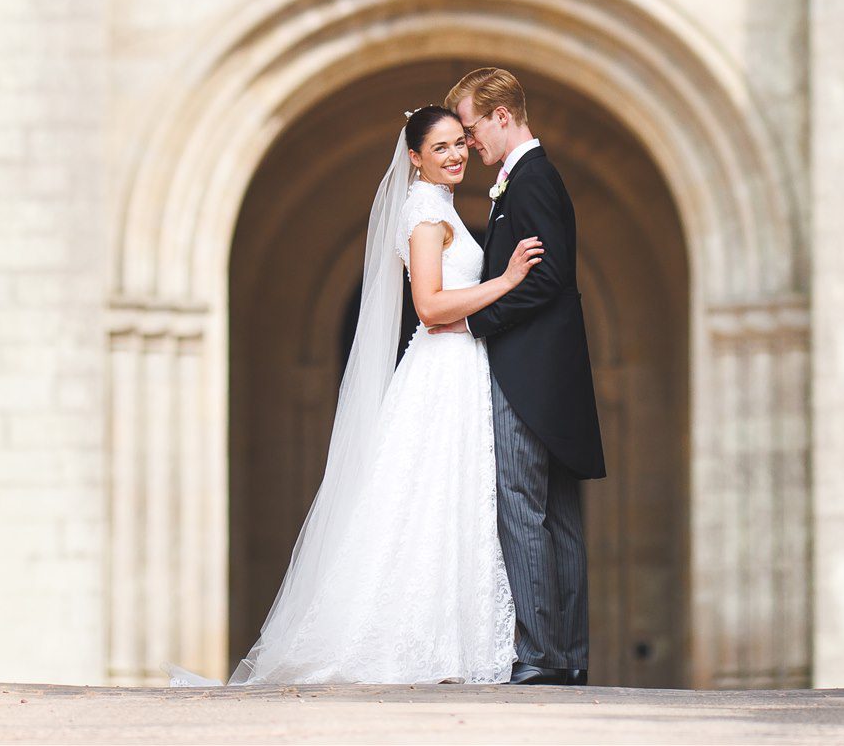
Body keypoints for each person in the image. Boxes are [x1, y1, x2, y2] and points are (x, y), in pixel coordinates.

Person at [216, 105, 543, 685]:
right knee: (426, 496)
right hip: (441, 366)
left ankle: (447, 644)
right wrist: (506, 280)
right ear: (414, 157)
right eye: (439, 147)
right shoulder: (423, 211)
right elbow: (430, 306)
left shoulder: (437, 206)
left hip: (458, 366)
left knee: (447, 497)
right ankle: (415, 644)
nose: (455, 154)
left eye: (459, 143)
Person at [444, 66, 604, 687]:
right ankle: (567, 655)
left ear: (501, 116)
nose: (467, 142)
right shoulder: (533, 178)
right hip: (551, 372)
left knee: (520, 508)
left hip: (528, 373)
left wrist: (478, 322)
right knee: (559, 517)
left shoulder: (532, 178)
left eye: (470, 127)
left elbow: (549, 278)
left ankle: (539, 655)